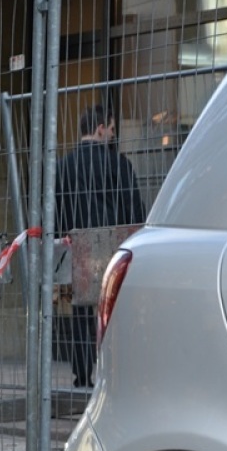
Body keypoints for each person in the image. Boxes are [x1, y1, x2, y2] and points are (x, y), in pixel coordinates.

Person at [55, 104, 146, 388]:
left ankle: (82, 374)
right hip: (112, 249)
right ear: (100, 128)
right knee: (113, 312)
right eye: (111, 129)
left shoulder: (62, 167)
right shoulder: (119, 165)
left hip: (77, 249)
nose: (112, 135)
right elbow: (135, 214)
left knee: (81, 313)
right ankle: (113, 372)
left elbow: (56, 212)